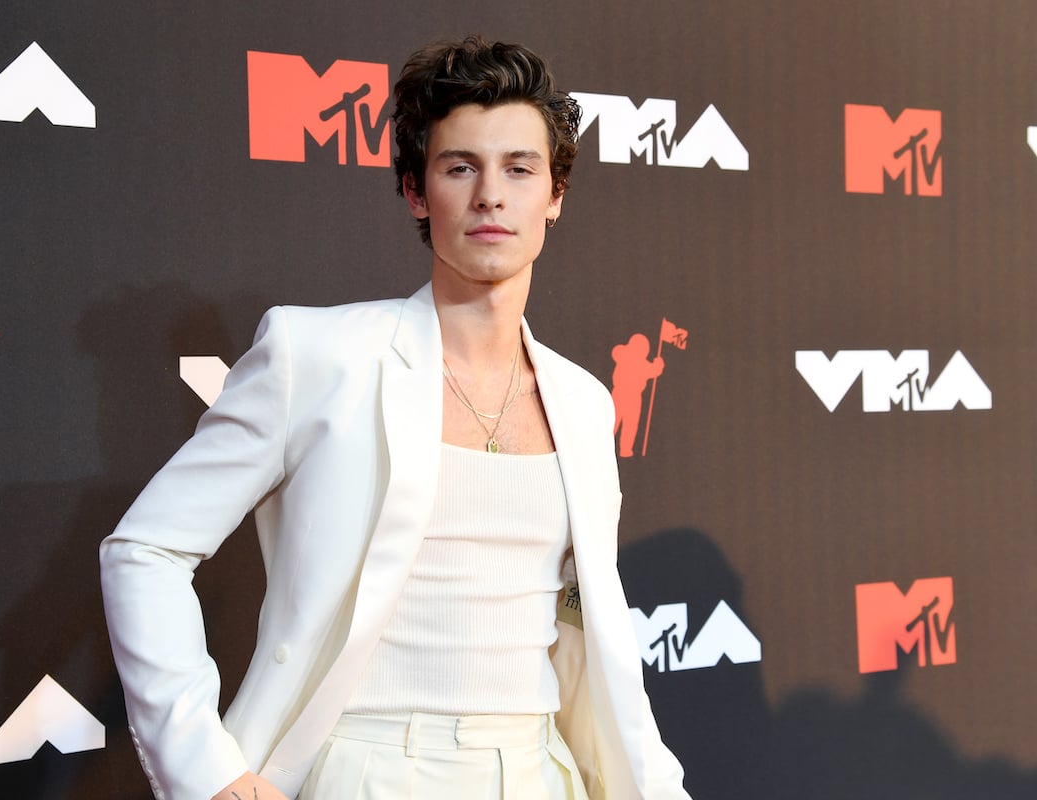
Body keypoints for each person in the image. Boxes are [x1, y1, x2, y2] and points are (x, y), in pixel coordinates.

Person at [100, 35, 692, 800]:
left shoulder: (583, 401)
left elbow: (591, 637)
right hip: (367, 768)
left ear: (555, 195)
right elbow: (145, 550)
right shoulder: (316, 356)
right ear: (417, 191)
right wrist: (208, 773)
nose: (490, 195)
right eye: (459, 167)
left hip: (544, 770)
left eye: (519, 168)